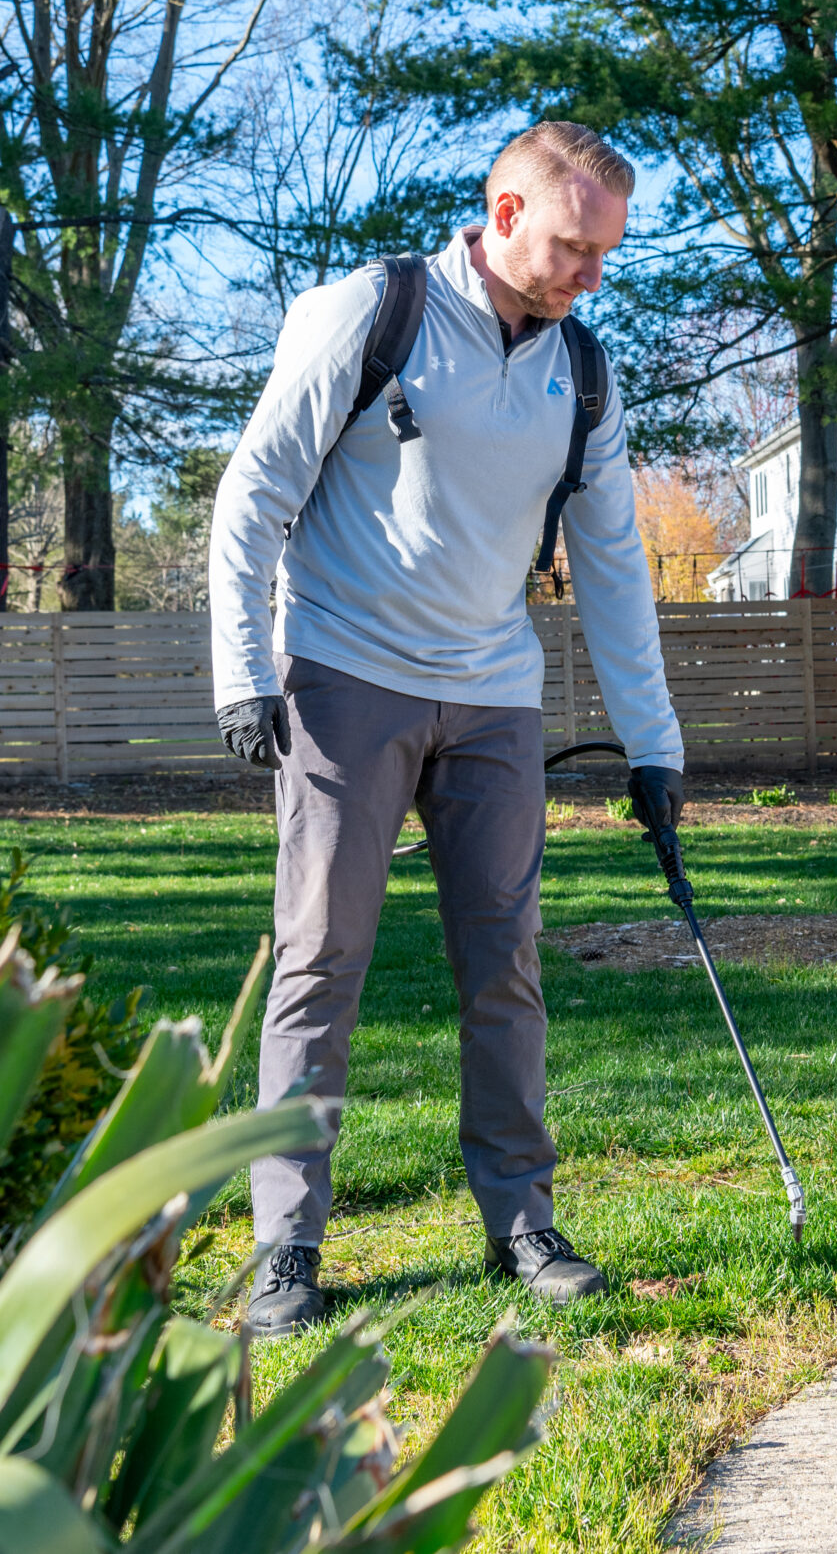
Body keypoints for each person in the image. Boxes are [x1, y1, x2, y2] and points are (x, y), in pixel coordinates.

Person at [207, 121, 685, 1336]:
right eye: (576, 246)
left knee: (506, 965)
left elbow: (615, 560)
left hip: (494, 692)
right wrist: (243, 674)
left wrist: (654, 743)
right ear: (507, 212)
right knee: (318, 964)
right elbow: (253, 492)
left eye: (606, 252)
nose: (592, 272)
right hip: (345, 674)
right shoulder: (376, 312)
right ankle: (285, 1246)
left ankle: (521, 1216)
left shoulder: (584, 367)